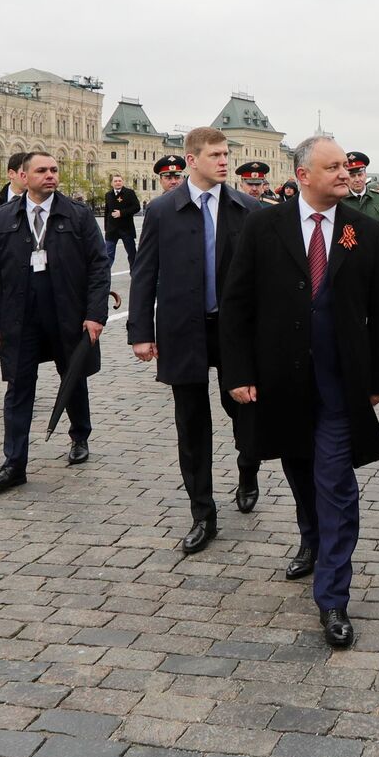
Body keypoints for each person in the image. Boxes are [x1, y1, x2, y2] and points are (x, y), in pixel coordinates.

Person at [220, 136, 379, 650]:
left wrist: (378, 379)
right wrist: (238, 372)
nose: (345, 174)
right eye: (334, 166)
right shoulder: (263, 226)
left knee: (337, 484)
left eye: (346, 167)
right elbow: (237, 305)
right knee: (299, 468)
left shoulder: (362, 230)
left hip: (342, 385)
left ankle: (333, 597)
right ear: (303, 175)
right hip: (281, 381)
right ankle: (312, 540)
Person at [128, 128, 263, 554]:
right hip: (182, 327)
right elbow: (145, 273)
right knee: (191, 421)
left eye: (226, 154)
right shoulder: (163, 210)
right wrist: (140, 332)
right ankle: (203, 513)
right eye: (216, 155)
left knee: (243, 407)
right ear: (191, 160)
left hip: (234, 331)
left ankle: (248, 466)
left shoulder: (249, 208)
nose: (224, 161)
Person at [0, 151, 110, 489]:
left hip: (65, 312)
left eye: (54, 169)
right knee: (18, 387)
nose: (50, 175)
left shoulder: (78, 214)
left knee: (73, 376)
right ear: (24, 177)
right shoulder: (3, 217)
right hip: (20, 316)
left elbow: (99, 265)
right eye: (42, 170)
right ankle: (14, 464)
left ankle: (79, 436)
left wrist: (95, 315)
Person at [340, 151, 379, 246]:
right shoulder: (339, 201)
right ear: (346, 178)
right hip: (348, 256)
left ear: (365, 175)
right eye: (352, 176)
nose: (357, 179)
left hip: (376, 257)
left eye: (360, 175)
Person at [102, 174, 141, 269]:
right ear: (112, 183)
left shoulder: (129, 193)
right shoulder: (108, 195)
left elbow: (136, 207)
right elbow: (107, 212)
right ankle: (104, 277)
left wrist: (122, 213)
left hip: (126, 229)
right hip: (112, 230)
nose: (118, 182)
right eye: (115, 181)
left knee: (132, 254)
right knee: (108, 255)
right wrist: (106, 228)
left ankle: (135, 276)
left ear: (122, 182)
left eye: (119, 180)